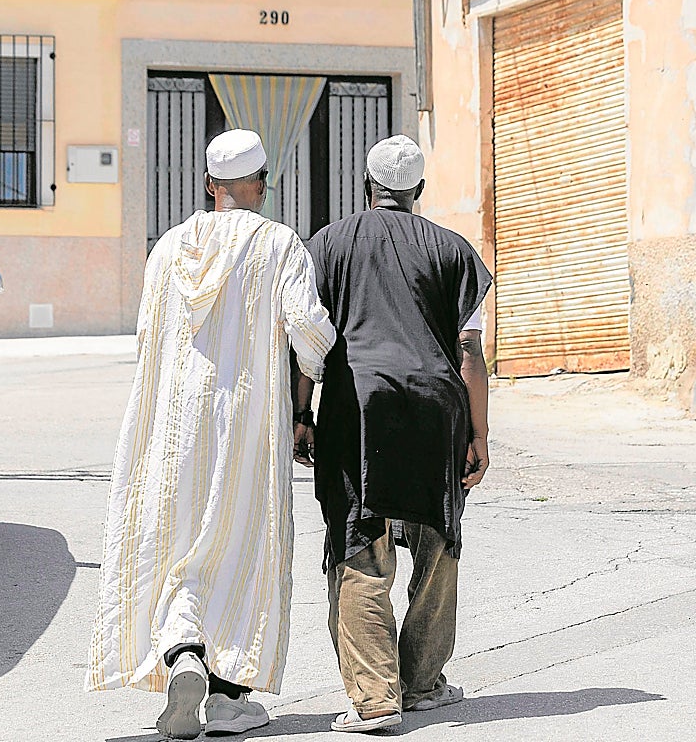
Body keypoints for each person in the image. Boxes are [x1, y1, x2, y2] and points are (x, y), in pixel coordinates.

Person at [86, 129, 337, 739]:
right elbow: (308, 330)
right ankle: (228, 700)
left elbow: (147, 337)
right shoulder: (279, 244)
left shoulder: (168, 248)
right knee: (239, 544)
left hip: (174, 426)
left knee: (179, 545)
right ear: (262, 185)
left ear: (208, 185)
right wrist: (312, 384)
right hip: (247, 421)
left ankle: (182, 654)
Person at [294, 135, 492, 733]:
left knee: (359, 542)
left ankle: (375, 697)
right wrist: (479, 435)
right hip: (436, 408)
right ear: (418, 191)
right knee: (438, 542)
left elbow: (308, 342)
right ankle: (423, 682)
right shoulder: (454, 251)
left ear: (367, 185)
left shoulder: (328, 245)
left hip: (358, 406)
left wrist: (302, 413)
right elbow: (469, 351)